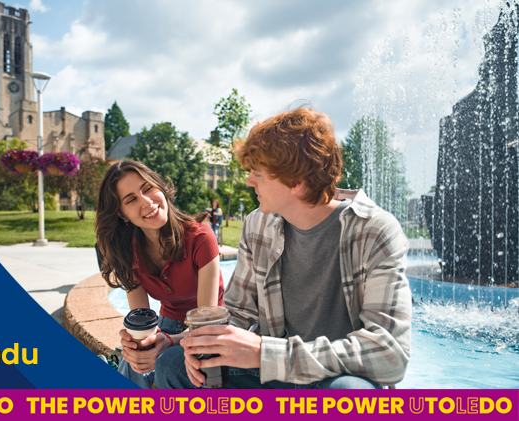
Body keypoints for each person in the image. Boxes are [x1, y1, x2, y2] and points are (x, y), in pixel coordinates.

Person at [154, 106, 412, 389]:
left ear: (296, 183)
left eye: (258, 174)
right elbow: (239, 313)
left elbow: (390, 353)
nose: (249, 181)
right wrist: (202, 347)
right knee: (173, 364)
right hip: (270, 373)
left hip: (334, 377)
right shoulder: (257, 224)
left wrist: (266, 354)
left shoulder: (375, 231)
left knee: (349, 392)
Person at [95, 160, 225, 389]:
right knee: (133, 358)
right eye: (131, 199)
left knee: (165, 362)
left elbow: (205, 326)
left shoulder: (200, 238)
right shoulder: (127, 252)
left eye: (147, 188)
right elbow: (140, 319)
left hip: (211, 330)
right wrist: (137, 342)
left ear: (160, 187)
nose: (147, 202)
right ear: (122, 214)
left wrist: (168, 342)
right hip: (168, 323)